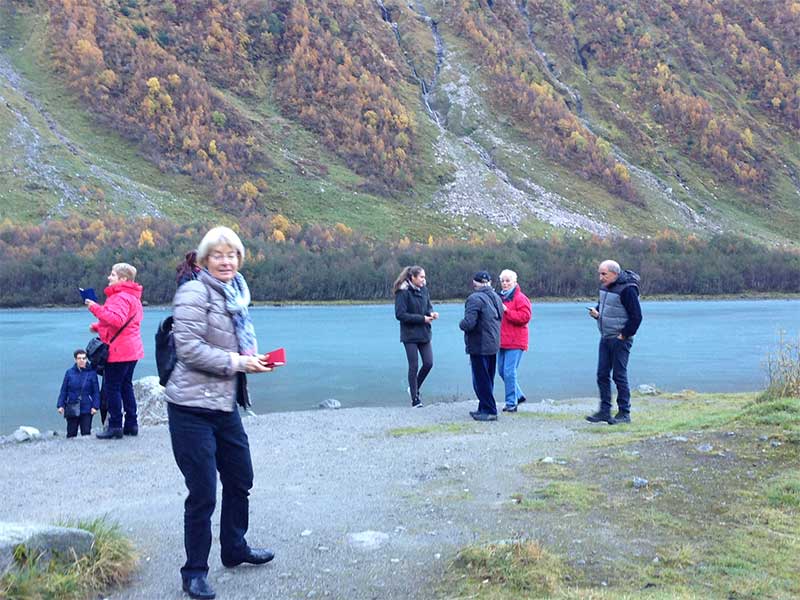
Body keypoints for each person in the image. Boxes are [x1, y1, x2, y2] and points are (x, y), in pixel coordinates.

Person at [165, 226, 275, 600]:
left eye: (232, 255)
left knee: (241, 478)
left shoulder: (236, 295)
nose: (226, 261)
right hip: (190, 409)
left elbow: (235, 346)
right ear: (204, 260)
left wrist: (254, 361)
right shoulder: (194, 292)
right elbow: (190, 349)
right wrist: (238, 362)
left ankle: (234, 547)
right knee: (202, 492)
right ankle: (194, 572)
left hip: (224, 404)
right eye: (218, 255)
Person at [85, 262, 144, 439]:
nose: (109, 277)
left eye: (112, 274)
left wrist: (94, 308)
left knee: (112, 387)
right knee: (126, 385)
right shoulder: (133, 297)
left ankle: (115, 426)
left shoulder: (119, 297)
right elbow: (127, 323)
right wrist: (98, 327)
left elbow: (117, 320)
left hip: (119, 351)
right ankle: (132, 424)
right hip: (132, 349)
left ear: (123, 278)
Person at [586, 260, 642, 425]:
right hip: (605, 337)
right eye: (599, 274)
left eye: (604, 274)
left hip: (620, 340)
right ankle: (604, 411)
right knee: (602, 375)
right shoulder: (605, 287)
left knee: (619, 376)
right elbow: (605, 308)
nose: (600, 277)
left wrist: (624, 335)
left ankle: (624, 413)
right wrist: (597, 314)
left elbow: (636, 317)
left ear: (614, 274)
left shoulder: (628, 290)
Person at [459, 271, 504, 421]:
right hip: (493, 343)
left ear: (475, 283)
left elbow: (469, 323)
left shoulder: (474, 299)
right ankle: (483, 407)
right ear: (489, 282)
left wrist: (461, 324)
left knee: (480, 379)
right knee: (488, 377)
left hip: (479, 344)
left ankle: (490, 410)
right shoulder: (497, 297)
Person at [393, 265, 439, 407]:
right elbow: (400, 315)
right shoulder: (402, 292)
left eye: (424, 277)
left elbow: (428, 306)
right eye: (421, 277)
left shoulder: (424, 290)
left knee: (429, 363)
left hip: (424, 332)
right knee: (413, 365)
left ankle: (413, 388)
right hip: (410, 334)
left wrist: (431, 313)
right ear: (412, 277)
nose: (424, 280)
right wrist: (422, 318)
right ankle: (415, 398)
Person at [497, 269, 532, 413]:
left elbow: (525, 317)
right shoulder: (499, 298)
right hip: (501, 341)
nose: (505, 284)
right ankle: (519, 395)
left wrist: (507, 311)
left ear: (514, 282)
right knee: (501, 371)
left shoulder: (521, 298)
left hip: (516, 341)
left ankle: (511, 403)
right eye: (503, 281)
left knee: (509, 372)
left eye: (508, 281)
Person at [57, 349, 101, 437]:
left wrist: (95, 406)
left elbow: (96, 392)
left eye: (84, 358)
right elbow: (64, 390)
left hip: (87, 408)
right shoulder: (69, 373)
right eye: (79, 358)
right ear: (75, 360)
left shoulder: (92, 373)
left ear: (86, 359)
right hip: (72, 407)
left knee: (86, 433)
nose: (81, 361)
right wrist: (60, 405)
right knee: (71, 433)